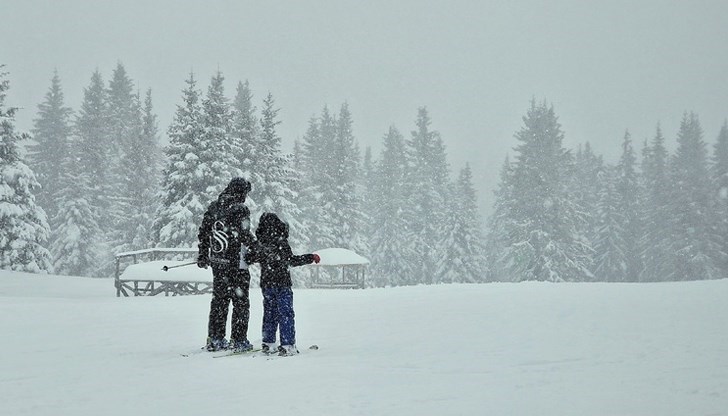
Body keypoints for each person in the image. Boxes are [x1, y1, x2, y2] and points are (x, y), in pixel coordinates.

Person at [245, 212, 320, 356]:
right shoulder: (281, 242)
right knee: (285, 314)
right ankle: (287, 345)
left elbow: (250, 257)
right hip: (282, 283)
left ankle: (268, 343)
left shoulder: (260, 242)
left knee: (269, 313)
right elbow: (291, 260)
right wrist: (310, 257)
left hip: (267, 284)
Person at [197, 177, 255, 352]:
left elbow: (204, 232)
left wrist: (203, 254)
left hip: (218, 262)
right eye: (245, 193)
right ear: (241, 192)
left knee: (219, 301)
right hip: (237, 263)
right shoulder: (240, 209)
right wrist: (259, 248)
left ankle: (215, 338)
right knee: (241, 302)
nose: (246, 197)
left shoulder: (214, 207)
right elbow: (244, 235)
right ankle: (238, 340)